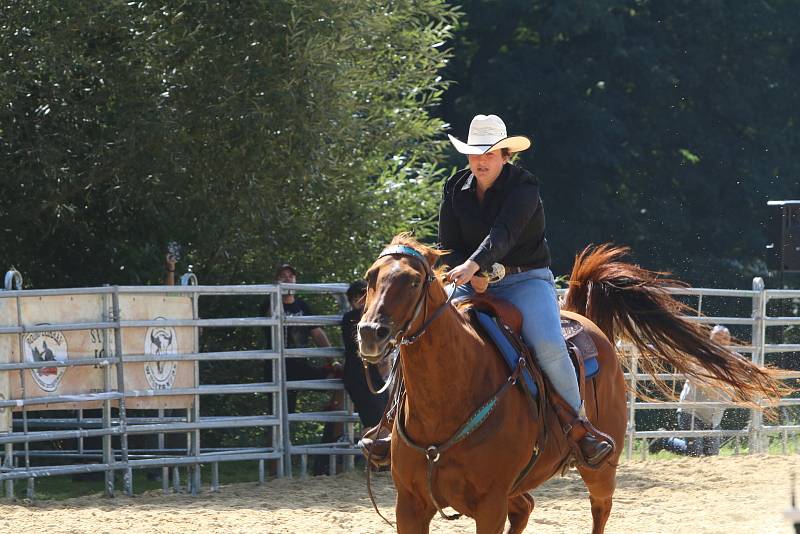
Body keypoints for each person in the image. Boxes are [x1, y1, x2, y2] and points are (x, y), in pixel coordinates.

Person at [361, 114, 614, 468]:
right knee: (420, 335)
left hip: (526, 280)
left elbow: (504, 233)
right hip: (469, 279)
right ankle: (391, 425)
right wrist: (469, 271)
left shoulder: (524, 187)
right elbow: (448, 244)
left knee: (547, 344)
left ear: (505, 156)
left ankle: (579, 428)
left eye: (489, 154)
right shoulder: (455, 188)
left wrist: (475, 267)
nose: (480, 161)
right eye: (475, 154)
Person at [650, 325, 734, 456]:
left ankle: (665, 439)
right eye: (717, 337)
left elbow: (745, 373)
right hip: (691, 412)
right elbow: (698, 378)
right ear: (710, 339)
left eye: (725, 338)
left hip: (713, 418)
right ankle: (666, 440)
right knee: (695, 453)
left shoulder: (733, 360)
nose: (721, 341)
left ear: (729, 341)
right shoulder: (699, 355)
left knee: (711, 457)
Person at [341, 280, 388, 430]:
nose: (362, 302)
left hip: (375, 377)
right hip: (358, 377)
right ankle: (368, 453)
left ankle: (376, 452)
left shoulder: (379, 316)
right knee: (373, 423)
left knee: (385, 420)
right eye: (357, 300)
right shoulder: (350, 318)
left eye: (364, 297)